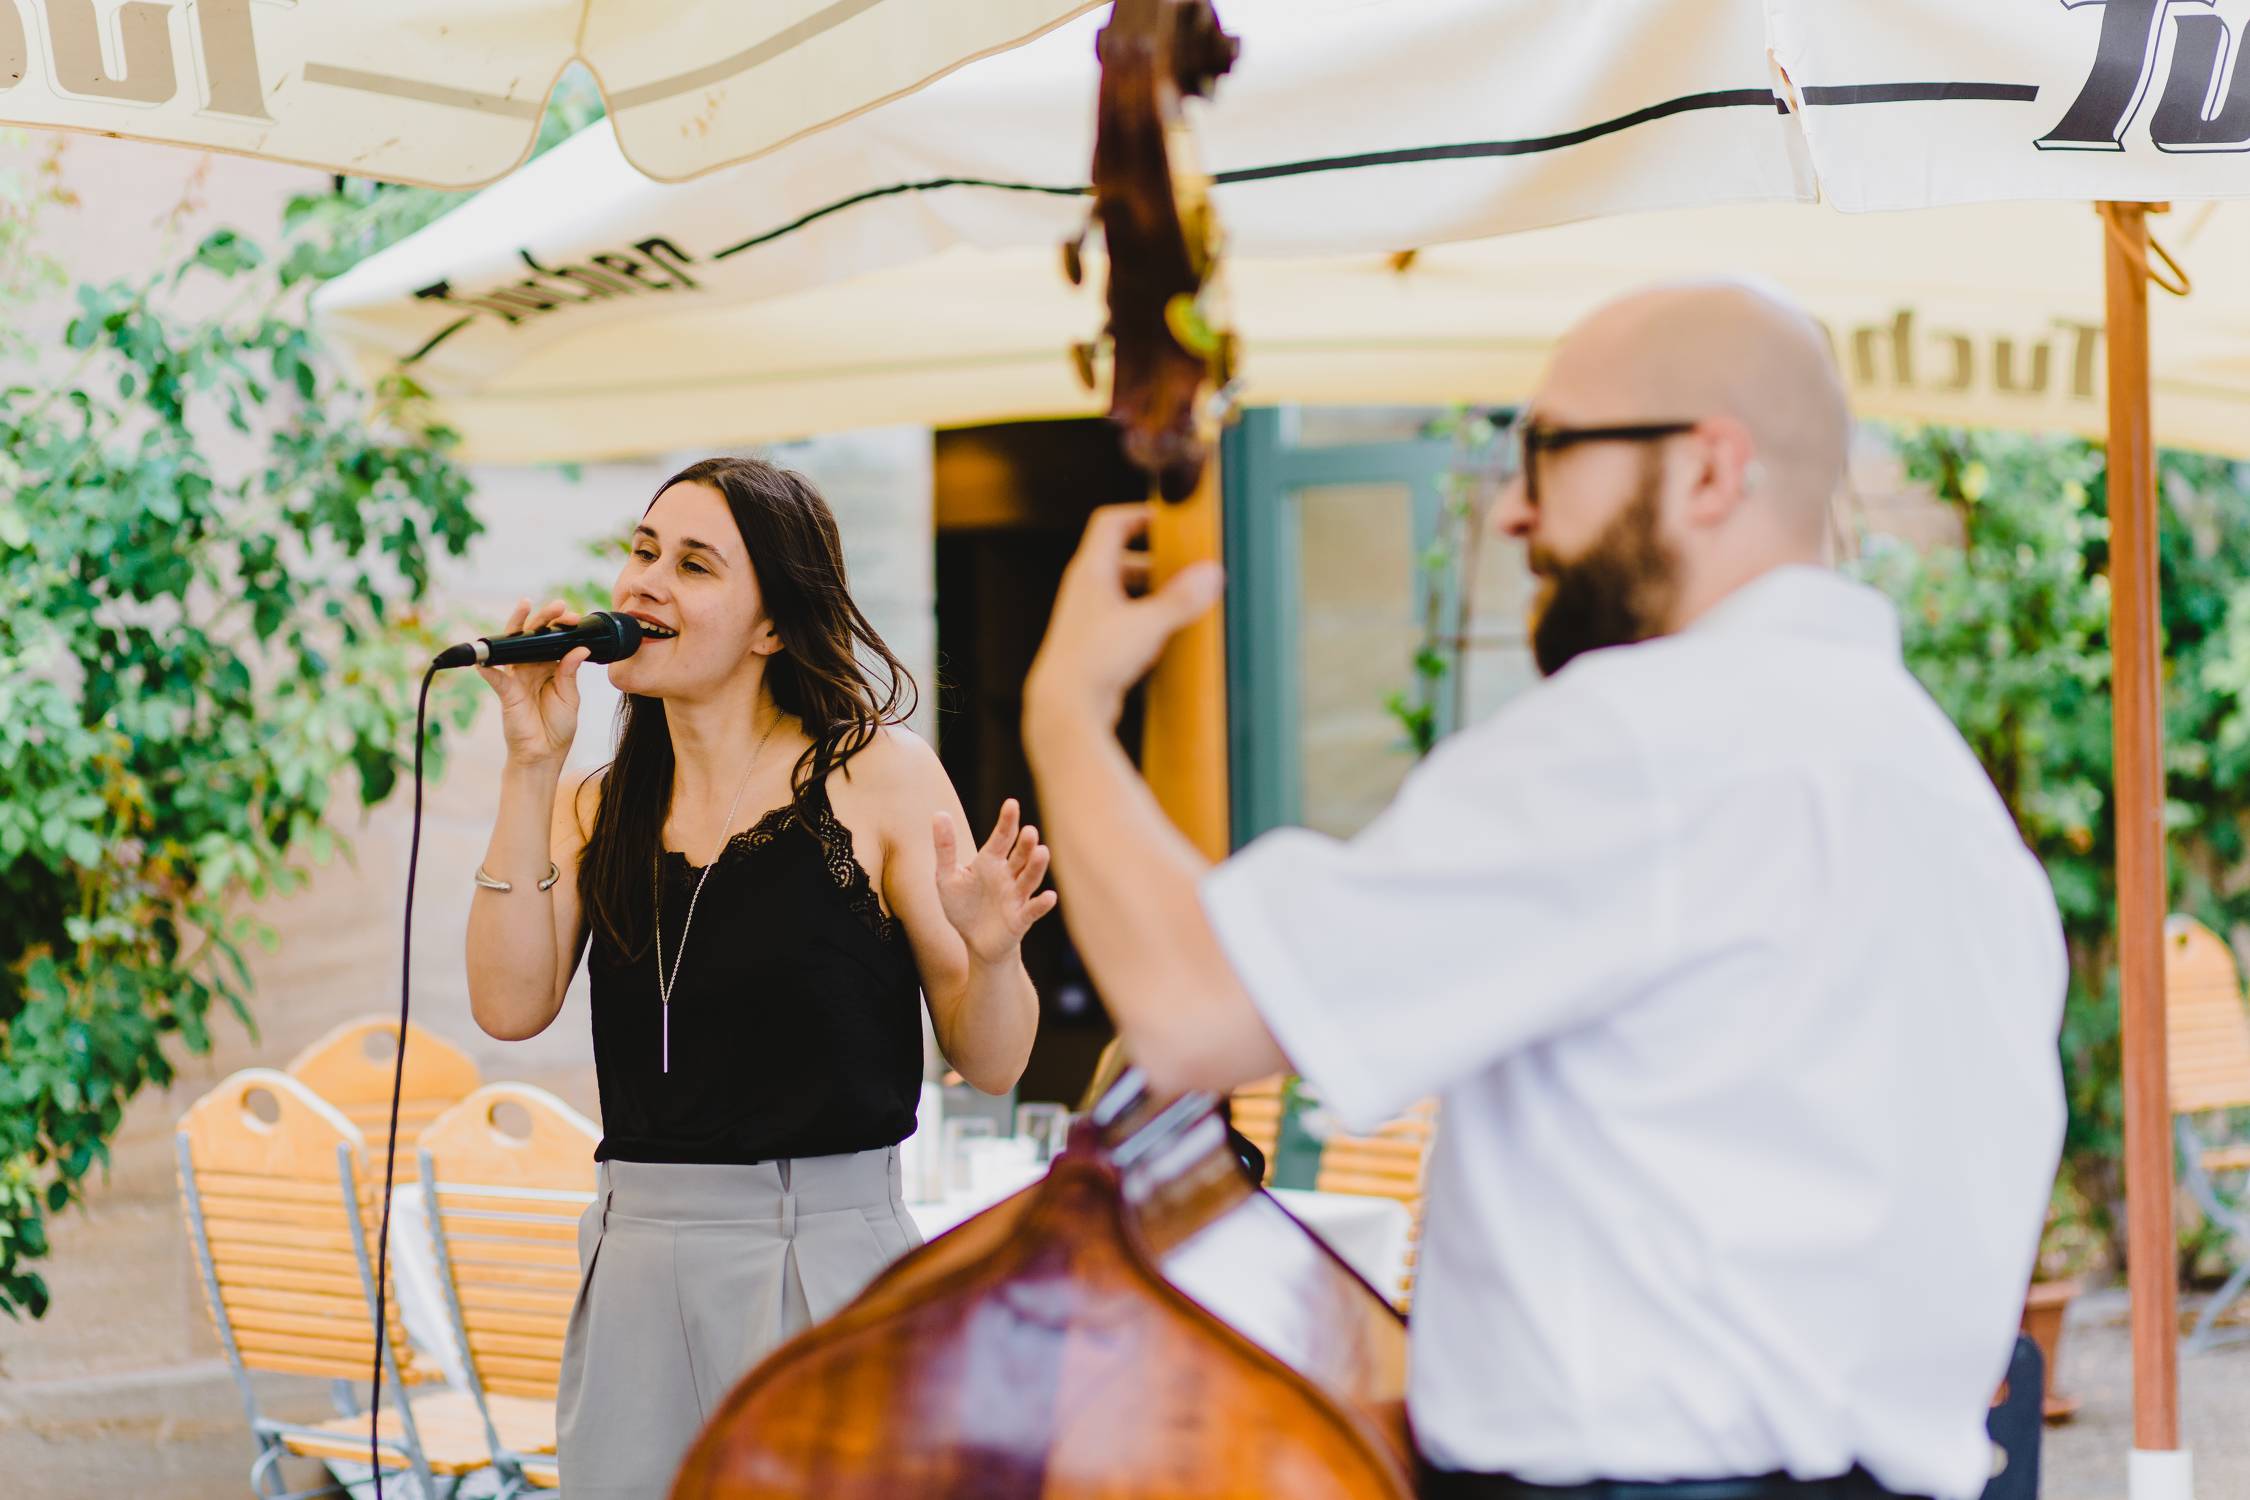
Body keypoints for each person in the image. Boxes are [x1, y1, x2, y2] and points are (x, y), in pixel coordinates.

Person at [1021, 281, 2065, 1500]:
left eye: (1548, 450)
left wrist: (1067, 711)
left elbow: (1194, 1008)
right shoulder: (1941, 789)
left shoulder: (1650, 735)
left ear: (1708, 471)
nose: (1514, 511)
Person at [464, 455, 1056, 1498]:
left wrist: (995, 952)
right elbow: (508, 1006)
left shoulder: (879, 777)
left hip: (821, 1251)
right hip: (636, 1257)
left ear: (773, 625)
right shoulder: (595, 803)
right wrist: (530, 763)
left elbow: (995, 1060)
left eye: (694, 565)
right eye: (644, 551)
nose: (646, 583)